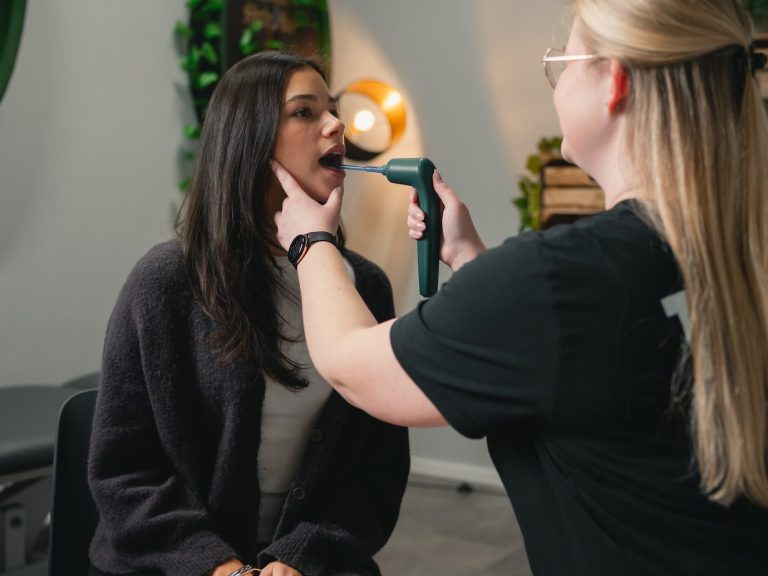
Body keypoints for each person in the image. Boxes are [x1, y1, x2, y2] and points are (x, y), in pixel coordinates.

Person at [271, 0, 768, 574]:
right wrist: (471, 259)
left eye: (562, 61)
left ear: (614, 82)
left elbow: (351, 367)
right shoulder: (734, 252)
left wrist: (310, 240)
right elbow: (582, 360)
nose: (554, 78)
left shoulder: (556, 280)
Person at [87, 51, 409, 576]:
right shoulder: (165, 283)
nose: (337, 124)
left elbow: (377, 471)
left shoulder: (366, 287)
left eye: (333, 109)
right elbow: (124, 473)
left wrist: (300, 557)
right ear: (250, 139)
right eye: (305, 112)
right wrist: (219, 567)